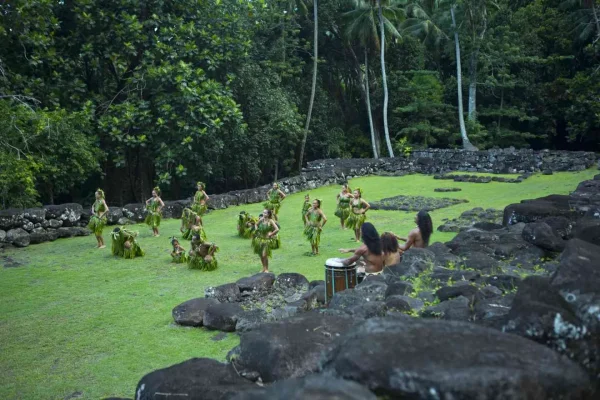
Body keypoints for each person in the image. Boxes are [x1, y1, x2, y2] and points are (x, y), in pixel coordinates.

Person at [251, 208, 280, 273]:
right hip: (260, 240)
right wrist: (257, 230)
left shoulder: (271, 221)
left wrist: (271, 234)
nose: (264, 214)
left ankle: (267, 269)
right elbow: (256, 224)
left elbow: (277, 229)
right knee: (261, 255)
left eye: (265, 213)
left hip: (267, 240)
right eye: (263, 212)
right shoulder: (261, 220)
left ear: (268, 214)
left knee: (264, 255)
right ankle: (263, 268)